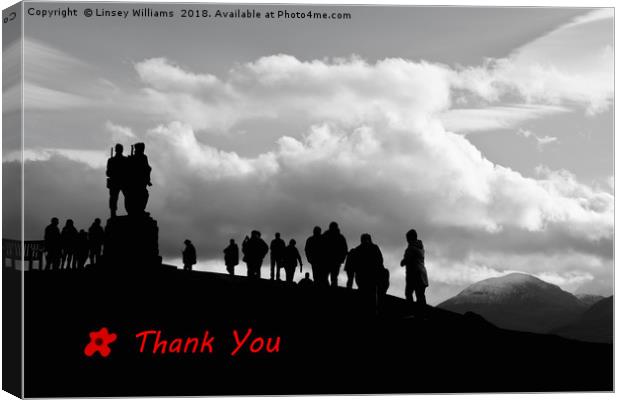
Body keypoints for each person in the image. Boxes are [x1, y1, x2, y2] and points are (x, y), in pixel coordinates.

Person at [400, 229, 428, 309]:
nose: (407, 240)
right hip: (422, 274)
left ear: (411, 238)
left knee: (409, 293)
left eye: (408, 238)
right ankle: (423, 314)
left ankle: (412, 311)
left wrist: (403, 262)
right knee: (420, 295)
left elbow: (406, 260)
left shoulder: (411, 248)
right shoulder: (421, 247)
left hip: (414, 274)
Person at [125, 142, 152, 215]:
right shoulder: (133, 158)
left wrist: (148, 180)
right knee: (135, 195)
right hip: (134, 181)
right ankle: (133, 210)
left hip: (141, 180)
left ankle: (140, 210)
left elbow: (147, 168)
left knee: (144, 195)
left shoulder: (143, 157)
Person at [321, 222, 348, 287]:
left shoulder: (325, 235)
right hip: (332, 260)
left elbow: (344, 249)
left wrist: (342, 259)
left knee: (329, 277)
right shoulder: (340, 237)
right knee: (332, 278)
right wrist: (342, 259)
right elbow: (344, 249)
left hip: (329, 260)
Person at [106, 144, 127, 217]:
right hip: (120, 182)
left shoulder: (111, 160)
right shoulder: (125, 160)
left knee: (116, 198)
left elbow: (108, 173)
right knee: (114, 198)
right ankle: (113, 213)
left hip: (119, 182)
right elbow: (108, 173)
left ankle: (113, 213)